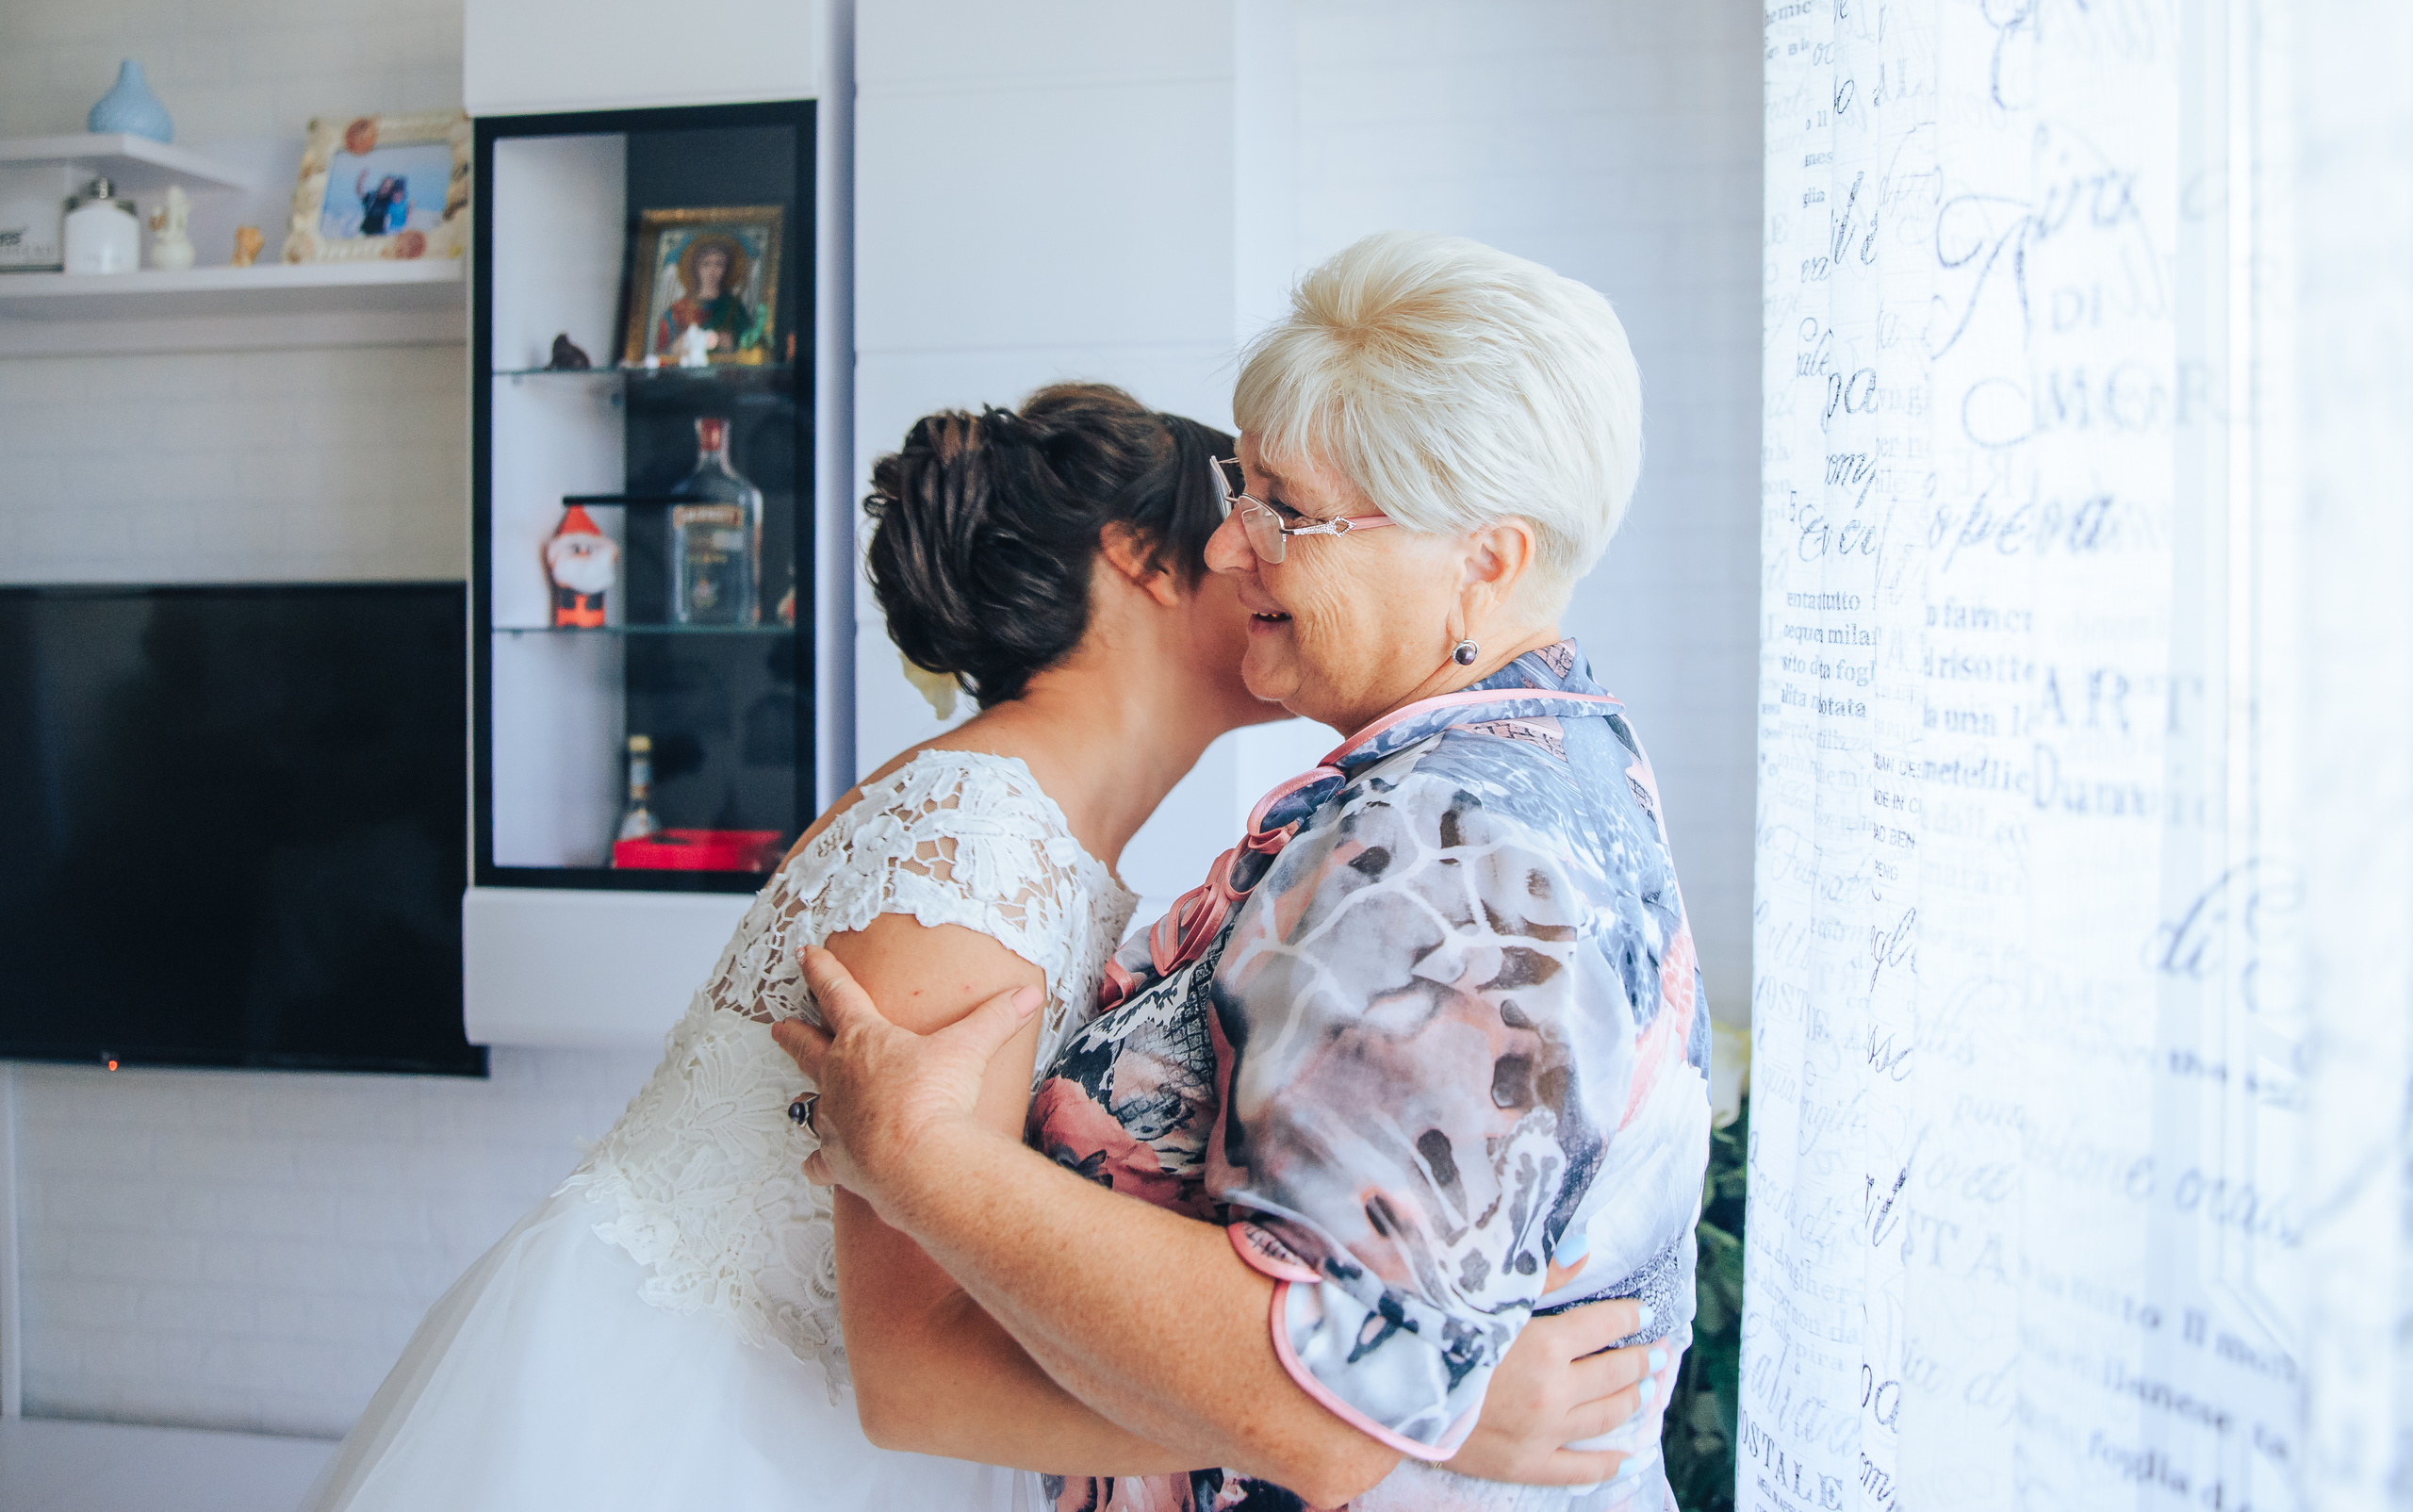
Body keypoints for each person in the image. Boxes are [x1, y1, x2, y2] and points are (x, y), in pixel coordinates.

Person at [305, 383, 1659, 1512]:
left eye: (1284, 519)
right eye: (1241, 514)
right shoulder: (969, 850)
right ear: (1137, 555)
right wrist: (1413, 1412)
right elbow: (917, 1379)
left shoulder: (1041, 844)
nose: (1265, 556)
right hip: (674, 1435)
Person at [778, 233, 1711, 1510]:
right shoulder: (1512, 763)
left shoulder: (1459, 842)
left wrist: (921, 1155)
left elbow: (1332, 1403)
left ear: (1483, 562)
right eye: (1243, 486)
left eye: (1292, 510)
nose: (1233, 545)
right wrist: (1447, 1407)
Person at [655, 233, 754, 356]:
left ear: (726, 268)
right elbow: (658, 352)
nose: (712, 270)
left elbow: (750, 346)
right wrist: (675, 348)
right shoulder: (677, 311)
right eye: (706, 264)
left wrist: (732, 343)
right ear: (696, 268)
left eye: (718, 264)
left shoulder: (735, 309)